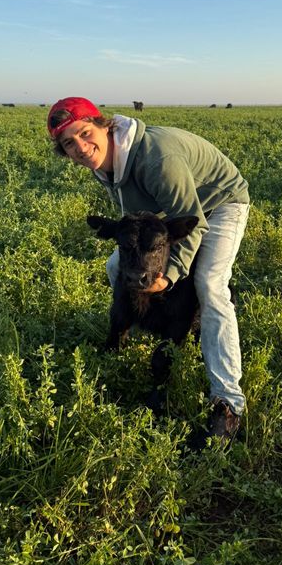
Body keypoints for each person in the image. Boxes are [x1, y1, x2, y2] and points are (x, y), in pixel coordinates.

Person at [47, 96, 250, 445]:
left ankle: (227, 402)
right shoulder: (104, 162)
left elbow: (193, 220)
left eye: (84, 133)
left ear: (103, 126)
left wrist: (169, 276)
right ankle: (129, 330)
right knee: (116, 265)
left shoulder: (157, 159)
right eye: (69, 143)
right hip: (176, 206)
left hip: (220, 203)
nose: (80, 147)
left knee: (209, 283)